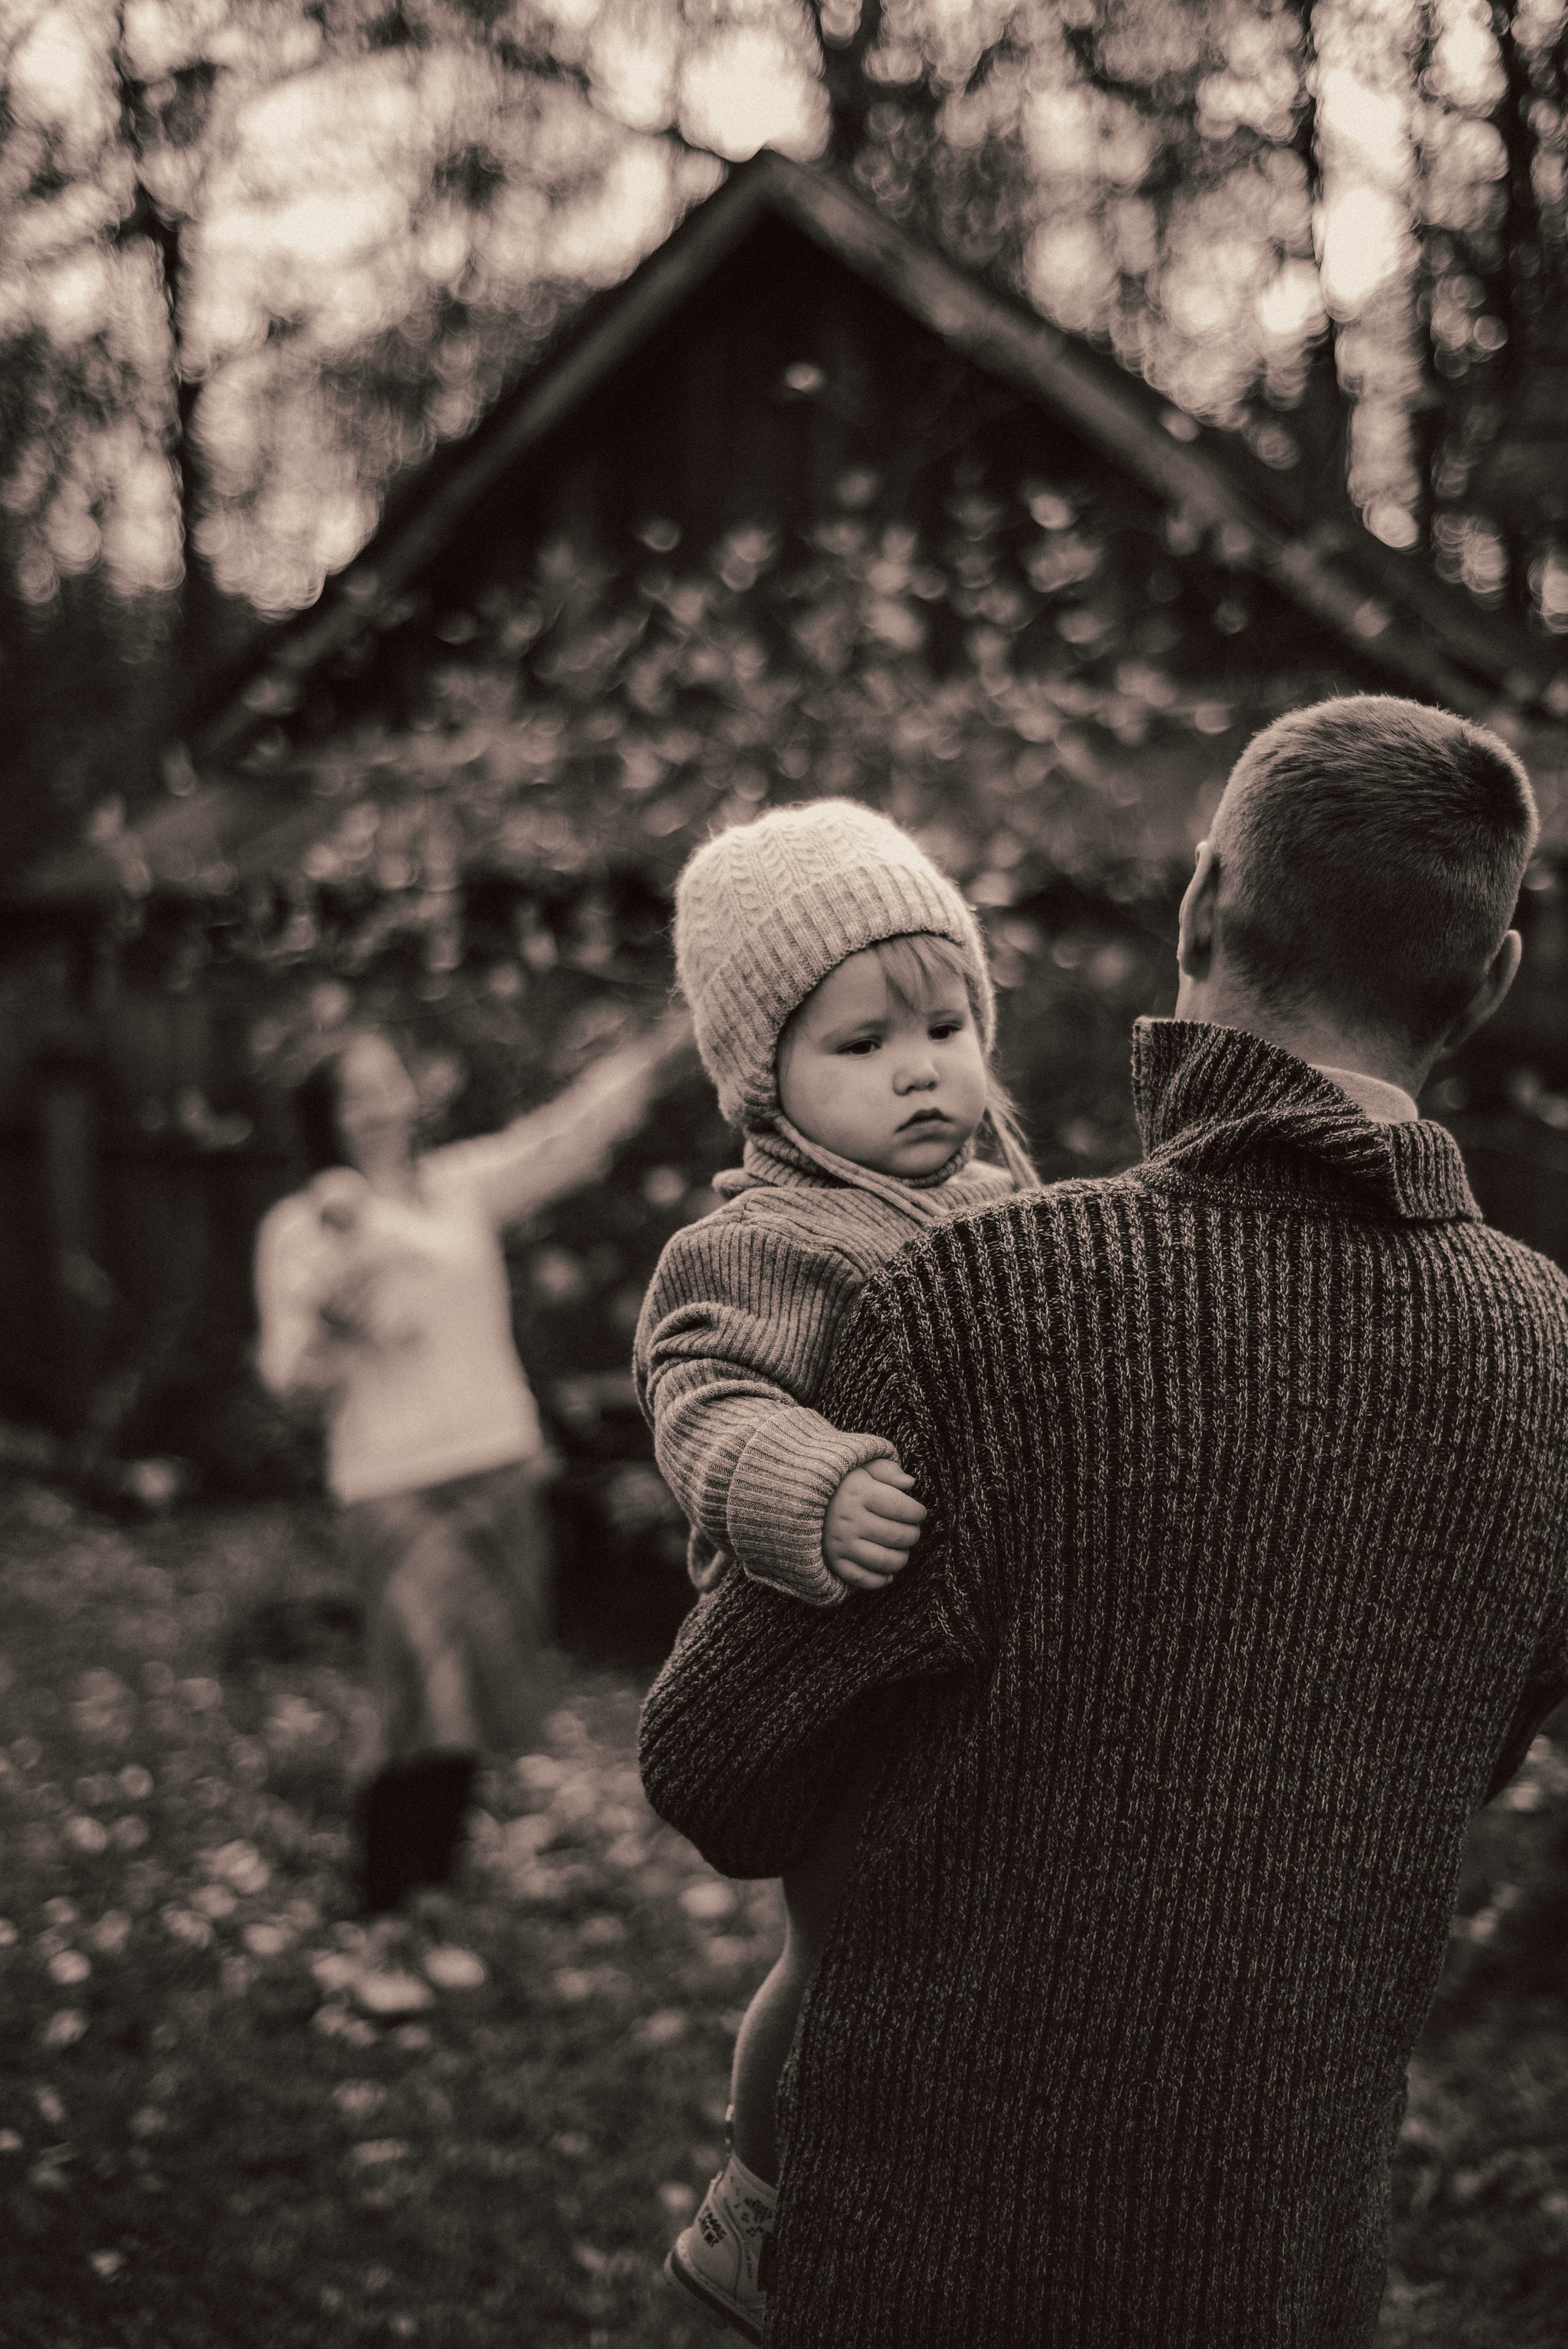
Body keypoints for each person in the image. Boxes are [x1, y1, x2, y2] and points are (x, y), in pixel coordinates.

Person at [639, 697, 1568, 2349]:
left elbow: (718, 1766)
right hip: (1292, 2260)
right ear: (1487, 985)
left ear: (1202, 908)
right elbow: (1447, 1746)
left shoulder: (986, 1301)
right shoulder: (1551, 1357)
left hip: (939, 2261)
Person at [633, 801, 1037, 2340]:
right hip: (829, 1663)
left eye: (945, 1023)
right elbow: (700, 1398)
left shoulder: (1019, 1218)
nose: (922, 1066)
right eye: (861, 1044)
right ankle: (755, 2197)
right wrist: (804, 1482)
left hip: (977, 1678)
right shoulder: (764, 1243)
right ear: (765, 1084)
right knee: (832, 1953)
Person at [255, 1010, 688, 1917]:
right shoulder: (303, 1229)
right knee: (420, 1688)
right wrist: (335, 1317)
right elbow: (289, 1383)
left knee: (478, 1696)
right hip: (393, 1485)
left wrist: (656, 1051)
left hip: (497, 1466)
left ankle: (430, 1889)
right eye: (351, 1094)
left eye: (385, 1083)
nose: (375, 1106)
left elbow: (562, 1139)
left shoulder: (461, 1190)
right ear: (323, 1115)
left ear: (412, 1092)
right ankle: (386, 1897)